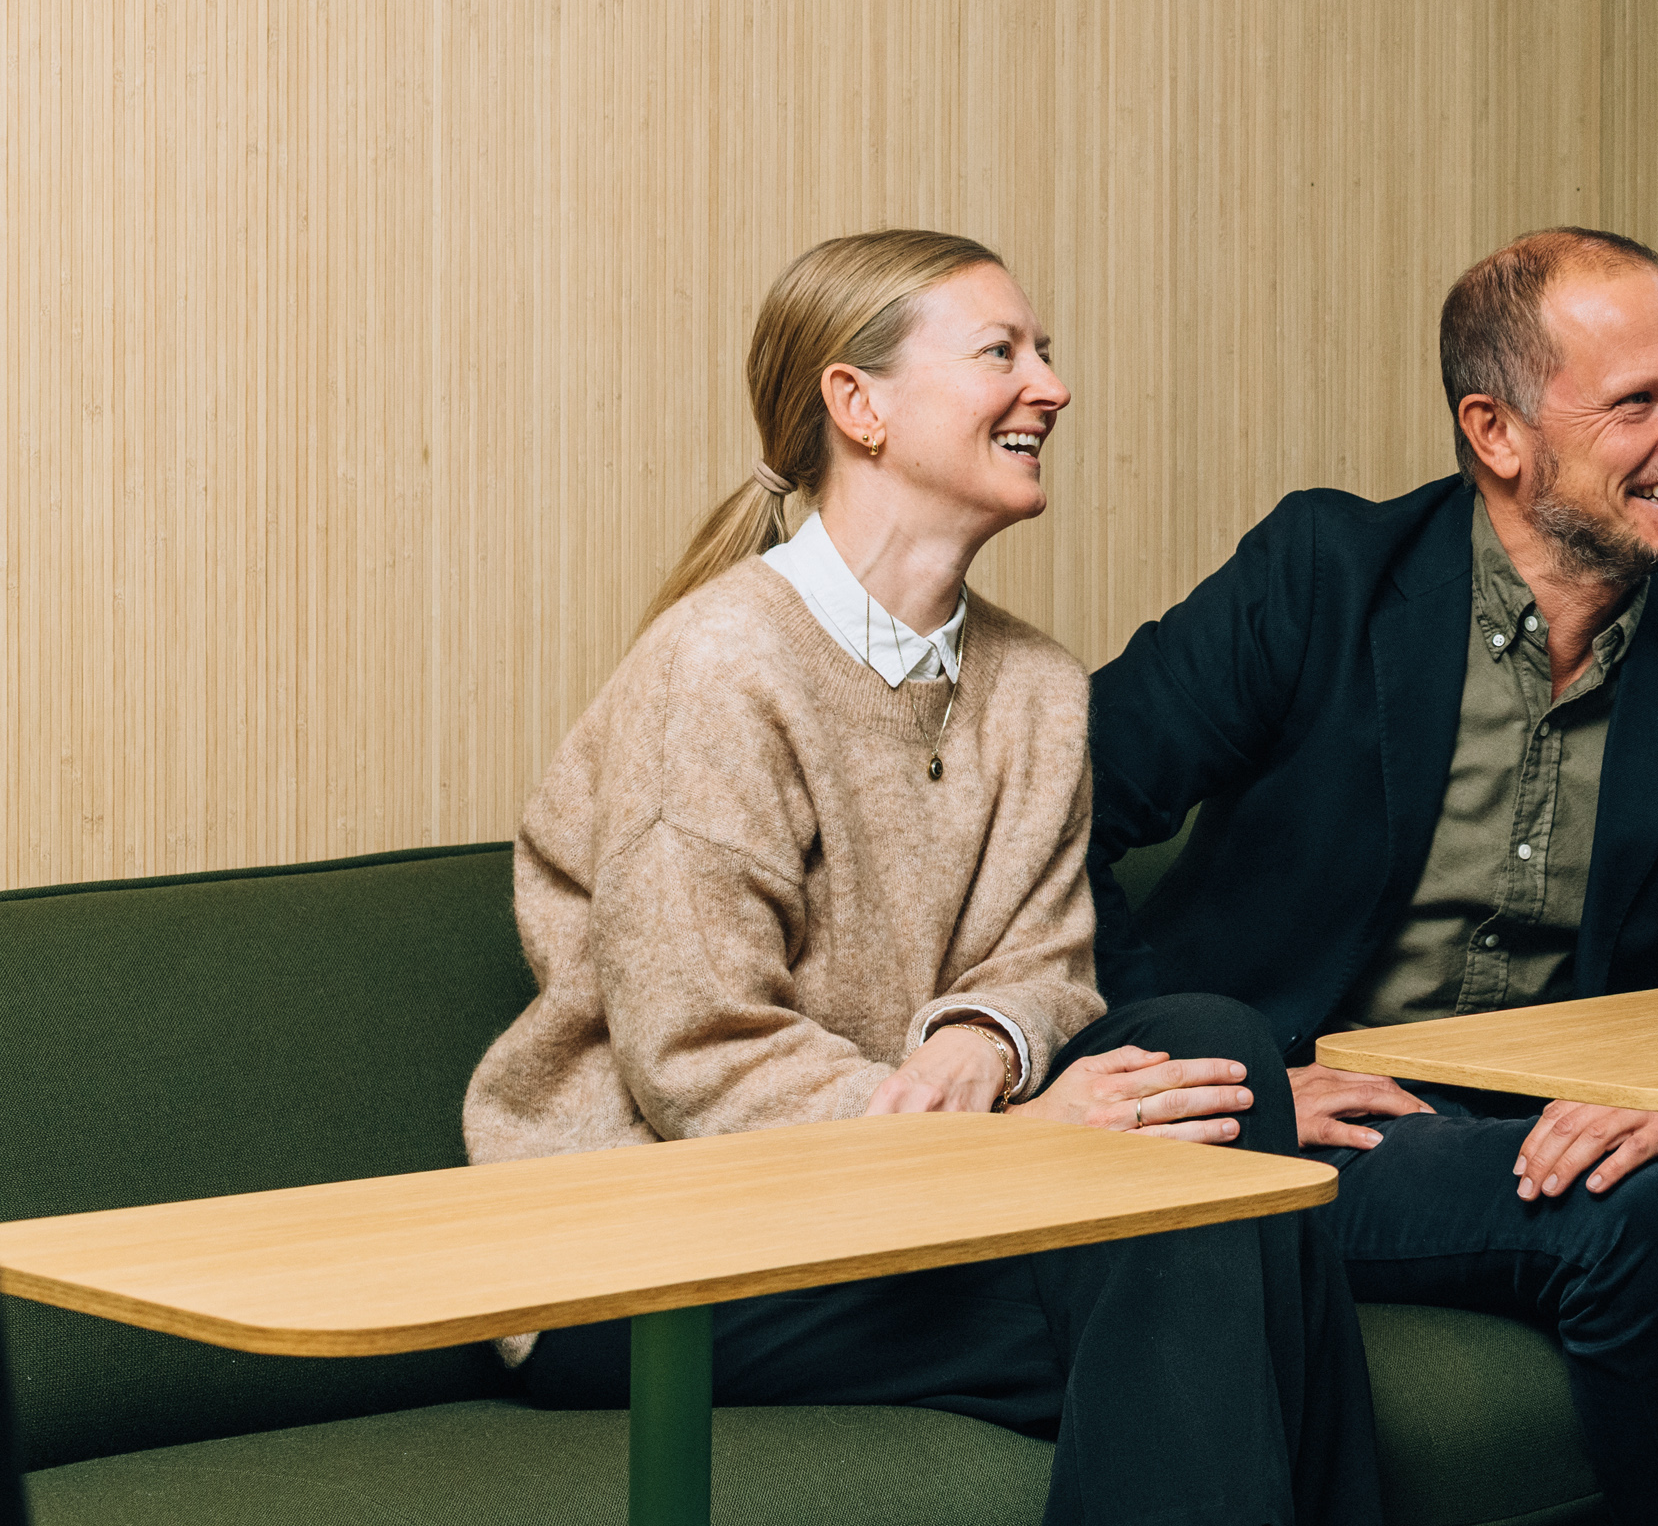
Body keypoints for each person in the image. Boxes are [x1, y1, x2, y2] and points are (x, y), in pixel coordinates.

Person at [1081, 226, 1658, 1526]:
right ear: (1497, 433)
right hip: (1342, 1123)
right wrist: (1231, 1081)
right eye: (1637, 402)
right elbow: (1059, 808)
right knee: (1615, 1212)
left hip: (1594, 1105)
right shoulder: (1323, 580)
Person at [467, 230, 1380, 1526]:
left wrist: (985, 1041)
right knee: (1221, 1265)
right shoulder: (721, 669)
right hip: (649, 1241)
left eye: (1046, 352)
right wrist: (998, 1148)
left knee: (1213, 1053)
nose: (1050, 387)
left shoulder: (1040, 690)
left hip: (902, 1202)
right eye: (1001, 352)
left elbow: (1046, 959)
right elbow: (697, 1052)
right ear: (860, 405)